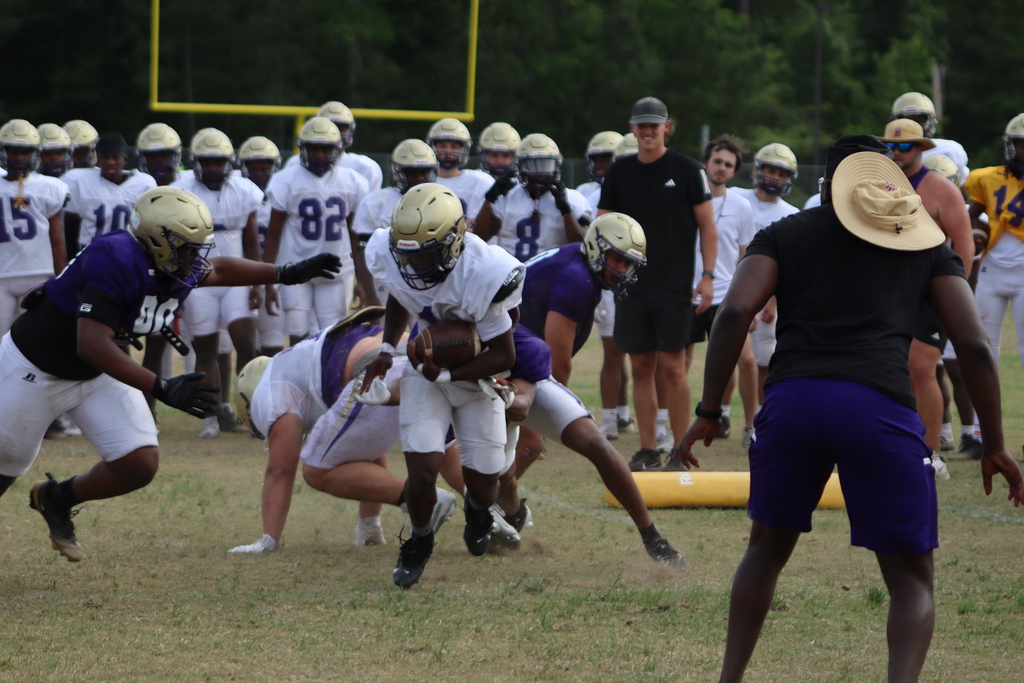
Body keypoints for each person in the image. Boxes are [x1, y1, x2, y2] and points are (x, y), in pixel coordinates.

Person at [678, 137, 1024, 682]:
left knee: (765, 551)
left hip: (792, 403)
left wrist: (708, 408)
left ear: (825, 187)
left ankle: (729, 680)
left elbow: (736, 311)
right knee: (911, 581)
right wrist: (996, 444)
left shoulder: (785, 233)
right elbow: (976, 346)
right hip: (877, 408)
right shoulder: (923, 246)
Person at [0, 186, 341, 562]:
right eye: (187, 247)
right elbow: (91, 342)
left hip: (92, 374)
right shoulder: (115, 256)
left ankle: (55, 498)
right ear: (157, 240)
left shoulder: (171, 262)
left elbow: (221, 268)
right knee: (3, 468)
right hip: (33, 368)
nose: (195, 257)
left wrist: (285, 272)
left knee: (138, 462)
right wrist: (160, 385)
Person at [361, 182, 525, 588]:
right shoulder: (393, 252)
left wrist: (448, 374)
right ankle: (418, 541)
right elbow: (402, 292)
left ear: (455, 242)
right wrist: (386, 347)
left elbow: (504, 356)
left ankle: (478, 509)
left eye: (427, 255)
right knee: (421, 469)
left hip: (475, 375)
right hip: (425, 371)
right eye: (408, 257)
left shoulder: (487, 271)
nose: (415, 266)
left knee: (485, 483)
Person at [227, 307, 459, 553]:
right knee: (453, 455)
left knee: (316, 469)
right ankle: (493, 512)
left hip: (377, 371)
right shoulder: (298, 363)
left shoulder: (270, 390)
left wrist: (268, 539)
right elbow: (365, 446)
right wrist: (369, 524)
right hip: (418, 354)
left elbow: (281, 469)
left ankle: (421, 499)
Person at [492, 324, 685, 567]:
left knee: (597, 443)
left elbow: (525, 400)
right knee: (483, 492)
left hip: (514, 381)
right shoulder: (445, 322)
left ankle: (652, 536)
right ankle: (496, 511)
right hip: (460, 389)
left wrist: (513, 401)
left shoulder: (522, 341)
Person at [596, 96, 717, 472]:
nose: (648, 131)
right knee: (642, 366)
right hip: (631, 285)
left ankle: (680, 452)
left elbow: (708, 226)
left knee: (673, 367)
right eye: (641, 125)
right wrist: (604, 271)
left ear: (667, 127)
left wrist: (708, 276)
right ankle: (648, 448)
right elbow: (603, 223)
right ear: (632, 128)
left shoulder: (687, 169)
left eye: (654, 124)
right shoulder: (619, 171)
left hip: (674, 285)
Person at [880, 119, 974, 474]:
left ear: (920, 148)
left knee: (922, 367)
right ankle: (893, 446)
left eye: (904, 146)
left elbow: (963, 241)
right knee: (887, 370)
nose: (897, 152)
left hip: (931, 293)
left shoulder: (940, 189)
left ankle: (930, 454)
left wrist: (956, 290)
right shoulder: (878, 185)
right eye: (891, 146)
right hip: (886, 292)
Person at [172, 129, 265, 439]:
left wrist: (257, 283)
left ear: (230, 162)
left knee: (247, 343)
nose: (213, 168)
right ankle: (210, 417)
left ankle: (256, 413)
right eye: (207, 162)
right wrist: (178, 286)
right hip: (198, 279)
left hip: (237, 277)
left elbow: (251, 241)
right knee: (206, 348)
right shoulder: (181, 190)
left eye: (219, 162)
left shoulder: (245, 190)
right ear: (196, 163)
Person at [263, 116, 373, 346]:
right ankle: (300, 379)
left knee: (332, 332)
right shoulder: (285, 180)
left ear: (338, 149)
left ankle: (324, 381)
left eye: (326, 149)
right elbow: (273, 234)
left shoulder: (353, 181)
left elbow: (356, 234)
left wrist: (361, 279)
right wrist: (269, 281)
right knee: (297, 332)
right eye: (314, 149)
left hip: (336, 267)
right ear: (302, 148)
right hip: (294, 266)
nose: (320, 155)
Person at [688, 135, 757, 447]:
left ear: (734, 171)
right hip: (689, 293)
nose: (722, 168)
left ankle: (751, 427)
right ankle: (666, 427)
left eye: (728, 164)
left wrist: (750, 301)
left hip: (727, 294)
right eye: (717, 161)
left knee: (745, 360)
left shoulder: (742, 207)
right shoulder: (688, 199)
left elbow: (746, 256)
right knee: (678, 364)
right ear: (705, 163)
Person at [967, 113, 1024, 455]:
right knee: (983, 351)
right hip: (991, 271)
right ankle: (975, 434)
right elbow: (970, 212)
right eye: (1020, 145)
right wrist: (974, 231)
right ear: (1009, 146)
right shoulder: (987, 179)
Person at [731, 143, 800, 409]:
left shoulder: (791, 214)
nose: (775, 177)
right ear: (758, 170)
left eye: (782, 173)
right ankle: (721, 412)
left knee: (764, 360)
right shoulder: (736, 197)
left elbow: (787, 264)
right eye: (771, 170)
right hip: (731, 287)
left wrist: (772, 300)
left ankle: (763, 417)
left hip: (767, 295)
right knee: (726, 355)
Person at [474, 133, 590, 261]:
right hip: (512, 274)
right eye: (532, 165)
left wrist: (566, 211)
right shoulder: (508, 196)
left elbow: (583, 248)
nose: (540, 172)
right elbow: (480, 237)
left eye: (545, 165)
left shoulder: (573, 199)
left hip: (554, 275)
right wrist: (490, 199)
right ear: (520, 166)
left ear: (556, 165)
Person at [352, 139, 439, 304]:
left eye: (424, 172)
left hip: (428, 279)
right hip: (386, 280)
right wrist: (369, 294)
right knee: (384, 328)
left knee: (428, 329)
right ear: (398, 172)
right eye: (412, 173)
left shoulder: (442, 201)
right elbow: (363, 250)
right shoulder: (375, 202)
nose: (419, 178)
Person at [62, 132, 156, 254]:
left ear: (125, 159)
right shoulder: (78, 180)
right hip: (91, 254)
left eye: (116, 157)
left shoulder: (145, 184)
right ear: (98, 160)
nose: (110, 162)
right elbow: (70, 227)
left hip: (128, 255)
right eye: (105, 157)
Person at [238, 135, 286, 357]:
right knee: (247, 345)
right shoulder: (239, 197)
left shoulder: (281, 197)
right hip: (243, 274)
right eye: (253, 168)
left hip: (273, 274)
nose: (259, 173)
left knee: (272, 342)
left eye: (264, 168)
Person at [891, 92, 969, 186]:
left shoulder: (950, 149)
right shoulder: (887, 150)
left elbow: (961, 186)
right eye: (907, 121)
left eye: (918, 121)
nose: (913, 126)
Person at [426, 118, 494, 224]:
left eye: (454, 147)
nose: (448, 151)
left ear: (465, 149)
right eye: (442, 146)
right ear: (432, 148)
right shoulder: (423, 181)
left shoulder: (481, 181)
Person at [576, 131, 623, 210]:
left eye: (604, 160)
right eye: (595, 161)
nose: (599, 165)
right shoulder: (583, 191)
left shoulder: (629, 190)